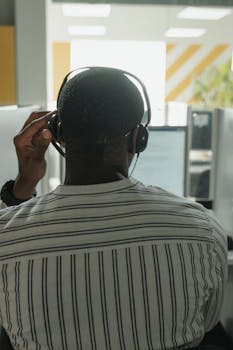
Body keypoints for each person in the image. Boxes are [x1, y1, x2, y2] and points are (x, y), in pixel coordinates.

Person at [0, 67, 228, 350]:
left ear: (57, 134)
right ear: (138, 139)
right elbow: (206, 326)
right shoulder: (202, 230)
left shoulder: (6, 240)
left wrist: (24, 184)